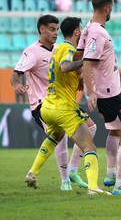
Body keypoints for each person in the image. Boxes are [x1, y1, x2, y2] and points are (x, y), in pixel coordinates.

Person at [24, 17, 111, 195]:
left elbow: (63, 67)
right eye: (82, 30)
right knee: (89, 147)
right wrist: (88, 61)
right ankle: (93, 187)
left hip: (48, 107)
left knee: (55, 137)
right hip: (64, 108)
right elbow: (64, 67)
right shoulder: (67, 48)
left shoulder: (57, 49)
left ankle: (32, 173)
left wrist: (79, 76)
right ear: (77, 32)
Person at [10, 15, 96, 191]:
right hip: (42, 102)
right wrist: (16, 84)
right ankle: (65, 181)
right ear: (41, 30)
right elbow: (15, 73)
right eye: (51, 29)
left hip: (60, 99)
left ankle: (70, 170)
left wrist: (79, 76)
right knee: (61, 138)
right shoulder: (31, 51)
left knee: (90, 128)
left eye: (57, 29)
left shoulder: (59, 48)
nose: (55, 32)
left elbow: (69, 64)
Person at [79, 0, 121, 195]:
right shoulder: (98, 33)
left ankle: (111, 176)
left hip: (108, 90)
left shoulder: (88, 29)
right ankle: (120, 186)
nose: (111, 10)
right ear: (107, 8)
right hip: (107, 93)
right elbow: (87, 62)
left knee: (114, 130)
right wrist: (92, 92)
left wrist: (83, 83)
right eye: (111, 8)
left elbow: (79, 55)